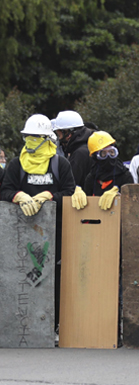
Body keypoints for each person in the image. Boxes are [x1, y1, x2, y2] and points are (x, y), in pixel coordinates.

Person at [0, 114, 77, 336]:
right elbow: (4, 191)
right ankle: (23, 325)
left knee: (52, 277)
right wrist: (18, 196)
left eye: (36, 137)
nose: (31, 141)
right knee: (23, 277)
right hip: (20, 234)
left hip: (53, 235)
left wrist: (48, 197)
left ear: (47, 138)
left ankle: (53, 326)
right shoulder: (16, 164)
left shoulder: (60, 164)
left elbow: (70, 193)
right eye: (28, 137)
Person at [78, 131, 133, 210]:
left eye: (111, 152)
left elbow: (132, 204)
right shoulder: (91, 178)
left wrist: (120, 197)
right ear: (95, 157)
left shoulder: (125, 176)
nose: (108, 156)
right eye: (103, 154)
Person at [53, 110, 94, 188]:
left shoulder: (79, 153)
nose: (59, 139)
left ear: (68, 134)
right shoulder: (85, 146)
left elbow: (70, 184)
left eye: (59, 134)